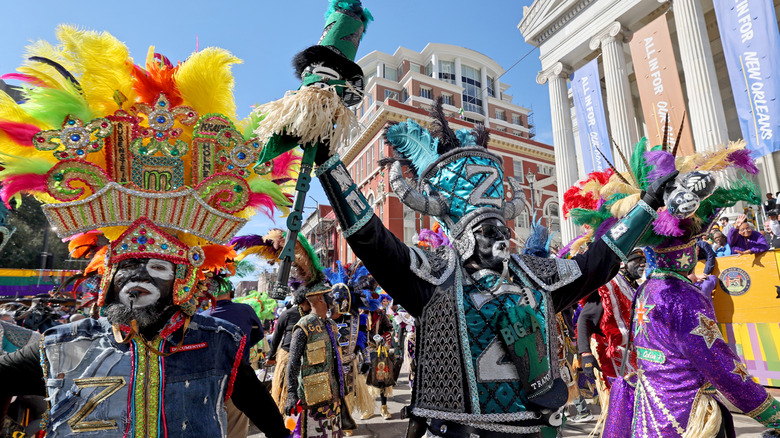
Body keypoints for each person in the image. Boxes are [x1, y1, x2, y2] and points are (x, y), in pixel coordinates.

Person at [311, 92, 677, 436]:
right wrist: (328, 164)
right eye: (488, 231)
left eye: (502, 228)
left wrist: (647, 203)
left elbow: (601, 260)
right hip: (461, 429)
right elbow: (371, 239)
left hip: (534, 427)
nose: (500, 238)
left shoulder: (538, 277)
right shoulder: (432, 277)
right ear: (464, 238)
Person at [0, 26, 296, 438]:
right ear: (107, 276)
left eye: (157, 266)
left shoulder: (219, 343)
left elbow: (255, 402)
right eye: (129, 266)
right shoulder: (60, 344)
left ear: (183, 277)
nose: (138, 278)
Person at [590, 139, 780, 437]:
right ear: (687, 250)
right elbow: (720, 365)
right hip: (683, 420)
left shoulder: (647, 288)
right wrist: (773, 414)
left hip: (648, 413)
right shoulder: (682, 298)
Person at [285, 283, 355, 438]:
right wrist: (291, 393)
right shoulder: (303, 326)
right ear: (320, 299)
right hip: (312, 399)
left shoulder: (331, 324)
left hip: (333, 397)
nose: (334, 297)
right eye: (330, 294)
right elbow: (293, 361)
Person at [205, 273, 265, 438]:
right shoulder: (245, 310)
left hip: (209, 381)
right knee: (237, 429)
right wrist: (242, 349)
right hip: (239, 378)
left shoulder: (201, 317)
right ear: (231, 293)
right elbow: (258, 335)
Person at [268, 289, 310, 414]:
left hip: (309, 358)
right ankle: (284, 417)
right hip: (287, 357)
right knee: (284, 391)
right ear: (302, 301)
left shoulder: (315, 316)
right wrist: (271, 356)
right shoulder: (287, 314)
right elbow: (276, 336)